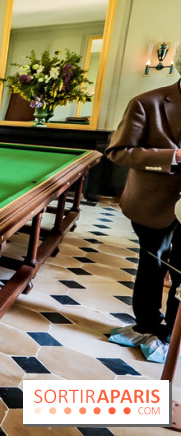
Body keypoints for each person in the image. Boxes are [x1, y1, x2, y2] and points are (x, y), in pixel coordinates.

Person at [105, 77, 181, 363]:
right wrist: (172, 156)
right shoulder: (146, 102)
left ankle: (172, 335)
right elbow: (118, 151)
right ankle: (147, 326)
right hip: (152, 202)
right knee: (153, 264)